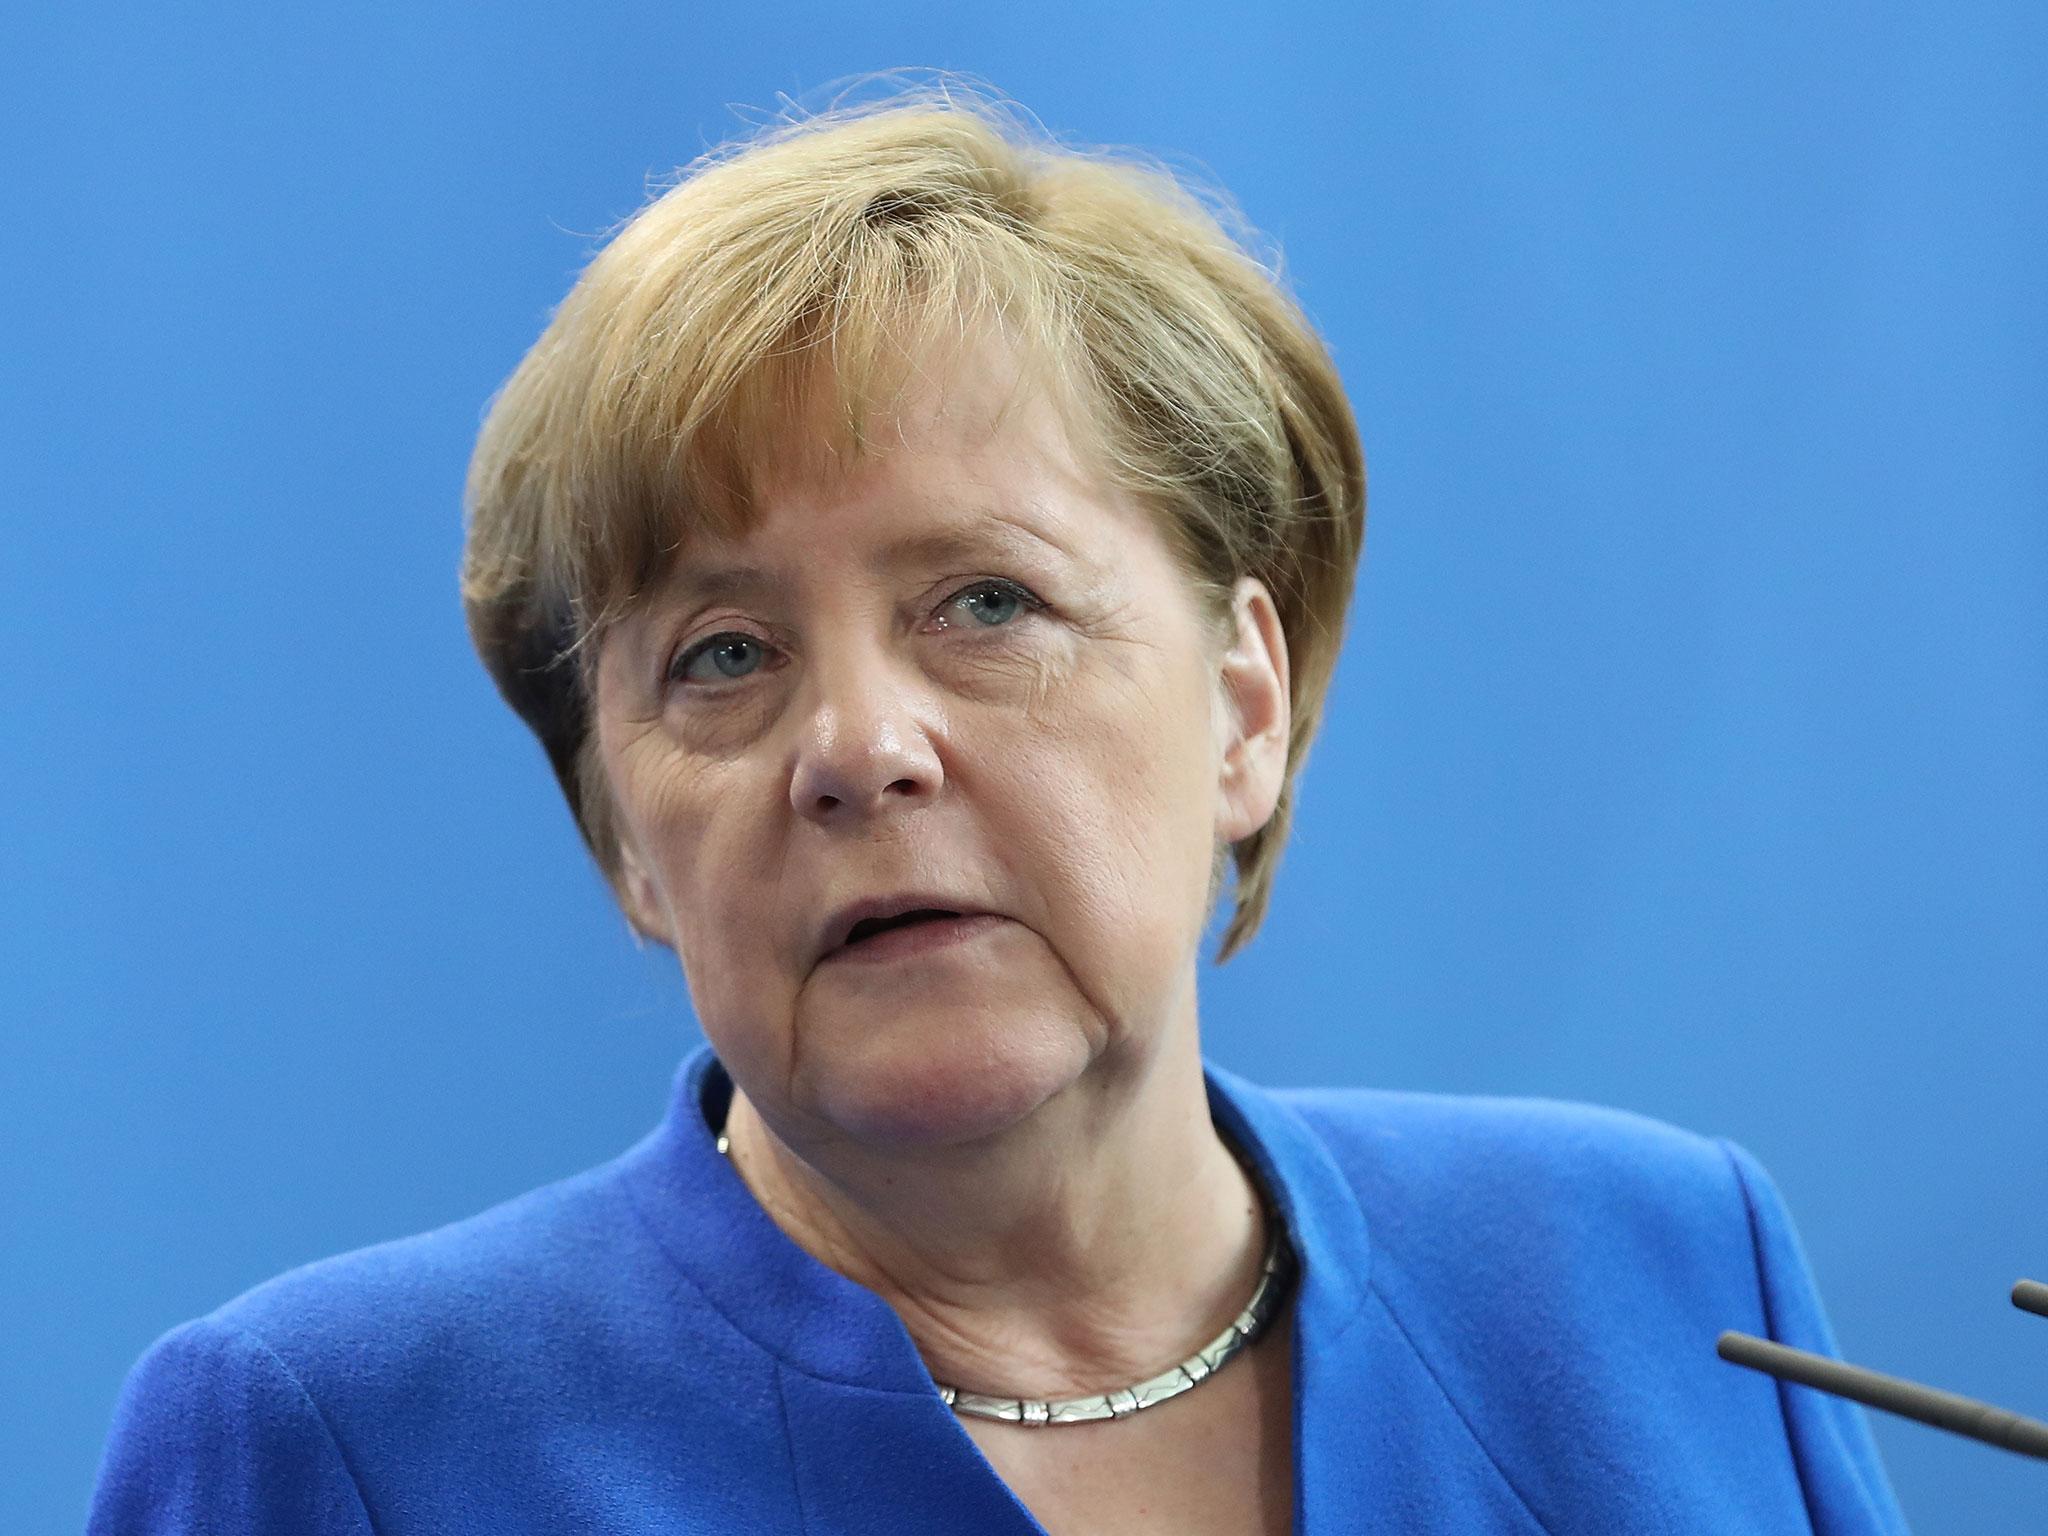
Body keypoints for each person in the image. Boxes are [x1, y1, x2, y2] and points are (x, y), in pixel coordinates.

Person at [88, 88, 1909, 1535]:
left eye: (986, 605)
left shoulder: (1660, 1273)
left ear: (1244, 707)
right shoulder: (337, 1448)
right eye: (722, 656)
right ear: (626, 837)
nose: (858, 745)